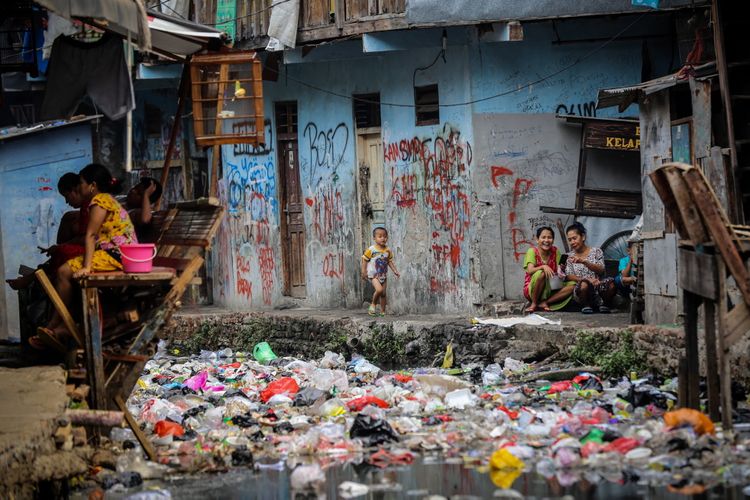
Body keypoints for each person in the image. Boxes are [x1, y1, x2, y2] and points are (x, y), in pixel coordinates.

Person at [30, 163, 138, 351]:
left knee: (64, 272)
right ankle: (59, 324)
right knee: (66, 271)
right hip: (117, 254)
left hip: (117, 255)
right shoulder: (105, 199)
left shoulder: (100, 201)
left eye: (81, 182)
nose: (78, 187)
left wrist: (87, 267)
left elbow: (90, 235)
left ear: (92, 185)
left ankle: (57, 324)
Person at [5, 172, 89, 290]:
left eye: (66, 196)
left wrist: (59, 247)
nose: (66, 202)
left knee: (61, 252)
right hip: (84, 247)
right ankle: (32, 277)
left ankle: (32, 278)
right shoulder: (80, 211)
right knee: (60, 251)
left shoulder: (91, 206)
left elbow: (88, 237)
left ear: (75, 190)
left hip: (93, 250)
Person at [564, 222, 616, 314]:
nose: (572, 242)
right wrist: (587, 279)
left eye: (574, 238)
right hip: (581, 291)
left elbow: (601, 269)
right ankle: (586, 305)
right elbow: (569, 276)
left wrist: (585, 262)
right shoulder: (569, 256)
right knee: (584, 285)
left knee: (611, 284)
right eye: (570, 240)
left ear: (583, 237)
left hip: (598, 288)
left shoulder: (596, 251)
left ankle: (605, 304)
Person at [522, 226, 574, 312]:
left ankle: (545, 302)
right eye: (543, 237)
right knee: (542, 273)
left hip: (551, 288)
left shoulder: (555, 251)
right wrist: (543, 266)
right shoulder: (532, 251)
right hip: (533, 289)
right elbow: (530, 270)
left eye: (549, 237)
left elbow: (558, 270)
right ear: (537, 239)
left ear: (553, 240)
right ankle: (534, 303)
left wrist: (561, 269)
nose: (546, 240)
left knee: (573, 286)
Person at [361, 227, 400, 316]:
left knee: (383, 294)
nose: (383, 238)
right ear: (374, 238)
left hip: (383, 275)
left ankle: (382, 311)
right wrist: (364, 271)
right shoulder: (371, 249)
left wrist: (395, 271)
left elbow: (389, 261)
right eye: (380, 236)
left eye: (385, 236)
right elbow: (364, 259)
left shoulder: (388, 250)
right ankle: (373, 304)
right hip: (374, 275)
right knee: (379, 290)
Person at [125, 177, 162, 243]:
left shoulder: (137, 212)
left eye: (139, 193)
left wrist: (146, 194)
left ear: (146, 200)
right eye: (135, 188)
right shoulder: (124, 206)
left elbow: (145, 219)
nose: (133, 191)